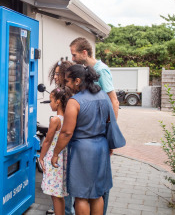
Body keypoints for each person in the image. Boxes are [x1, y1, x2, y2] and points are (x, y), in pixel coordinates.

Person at [51, 64, 116, 215]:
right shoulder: (103, 96)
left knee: (81, 196)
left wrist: (55, 153)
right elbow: (109, 122)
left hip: (82, 150)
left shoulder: (75, 101)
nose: (66, 84)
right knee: (97, 194)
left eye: (67, 81)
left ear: (78, 81)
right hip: (101, 147)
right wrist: (110, 144)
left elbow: (67, 132)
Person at [69, 37, 119, 214]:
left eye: (74, 55)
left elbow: (113, 101)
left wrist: (109, 136)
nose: (72, 58)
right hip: (92, 138)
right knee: (93, 187)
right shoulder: (88, 71)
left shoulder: (101, 70)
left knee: (94, 188)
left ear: (84, 53)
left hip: (96, 136)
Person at [39, 87, 73, 215]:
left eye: (51, 101)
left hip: (54, 159)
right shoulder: (70, 119)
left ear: (58, 101)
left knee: (55, 195)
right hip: (63, 158)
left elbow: (47, 141)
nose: (50, 104)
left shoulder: (55, 119)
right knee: (60, 194)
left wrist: (41, 157)